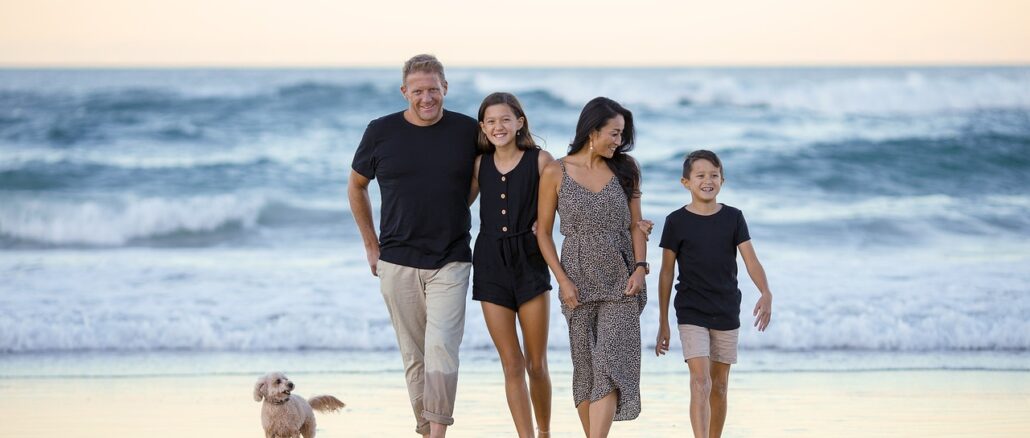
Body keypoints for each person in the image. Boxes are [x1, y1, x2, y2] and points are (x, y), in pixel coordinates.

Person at [347, 54, 479, 438]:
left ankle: (437, 432)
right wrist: (371, 245)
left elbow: (487, 174)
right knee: (414, 356)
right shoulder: (380, 131)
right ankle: (426, 430)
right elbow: (356, 185)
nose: (426, 98)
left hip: (451, 258)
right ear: (404, 91)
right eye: (418, 91)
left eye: (433, 90)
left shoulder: (468, 131)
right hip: (397, 260)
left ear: (445, 89)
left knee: (441, 348)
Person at [536, 97, 648, 438]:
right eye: (613, 133)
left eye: (621, 135)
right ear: (592, 130)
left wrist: (641, 267)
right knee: (585, 369)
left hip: (621, 279)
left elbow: (636, 225)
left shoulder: (626, 169)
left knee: (610, 364)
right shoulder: (555, 171)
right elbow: (542, 231)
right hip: (577, 281)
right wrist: (563, 281)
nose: (618, 141)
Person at [654, 149, 774, 438]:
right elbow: (666, 273)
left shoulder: (734, 218)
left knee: (719, 385)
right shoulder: (676, 221)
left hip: (726, 309)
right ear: (686, 182)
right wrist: (663, 321)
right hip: (691, 310)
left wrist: (766, 292)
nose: (707, 180)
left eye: (714, 175)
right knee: (700, 381)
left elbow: (750, 260)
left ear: (723, 180)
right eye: (700, 175)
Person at [470, 92, 555, 438]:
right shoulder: (478, 165)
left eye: (505, 119)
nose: (498, 126)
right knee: (511, 363)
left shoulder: (541, 160)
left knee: (535, 363)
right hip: (489, 262)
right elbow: (452, 204)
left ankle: (545, 430)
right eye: (490, 121)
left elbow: (569, 200)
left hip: (530, 261)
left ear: (520, 122)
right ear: (483, 128)